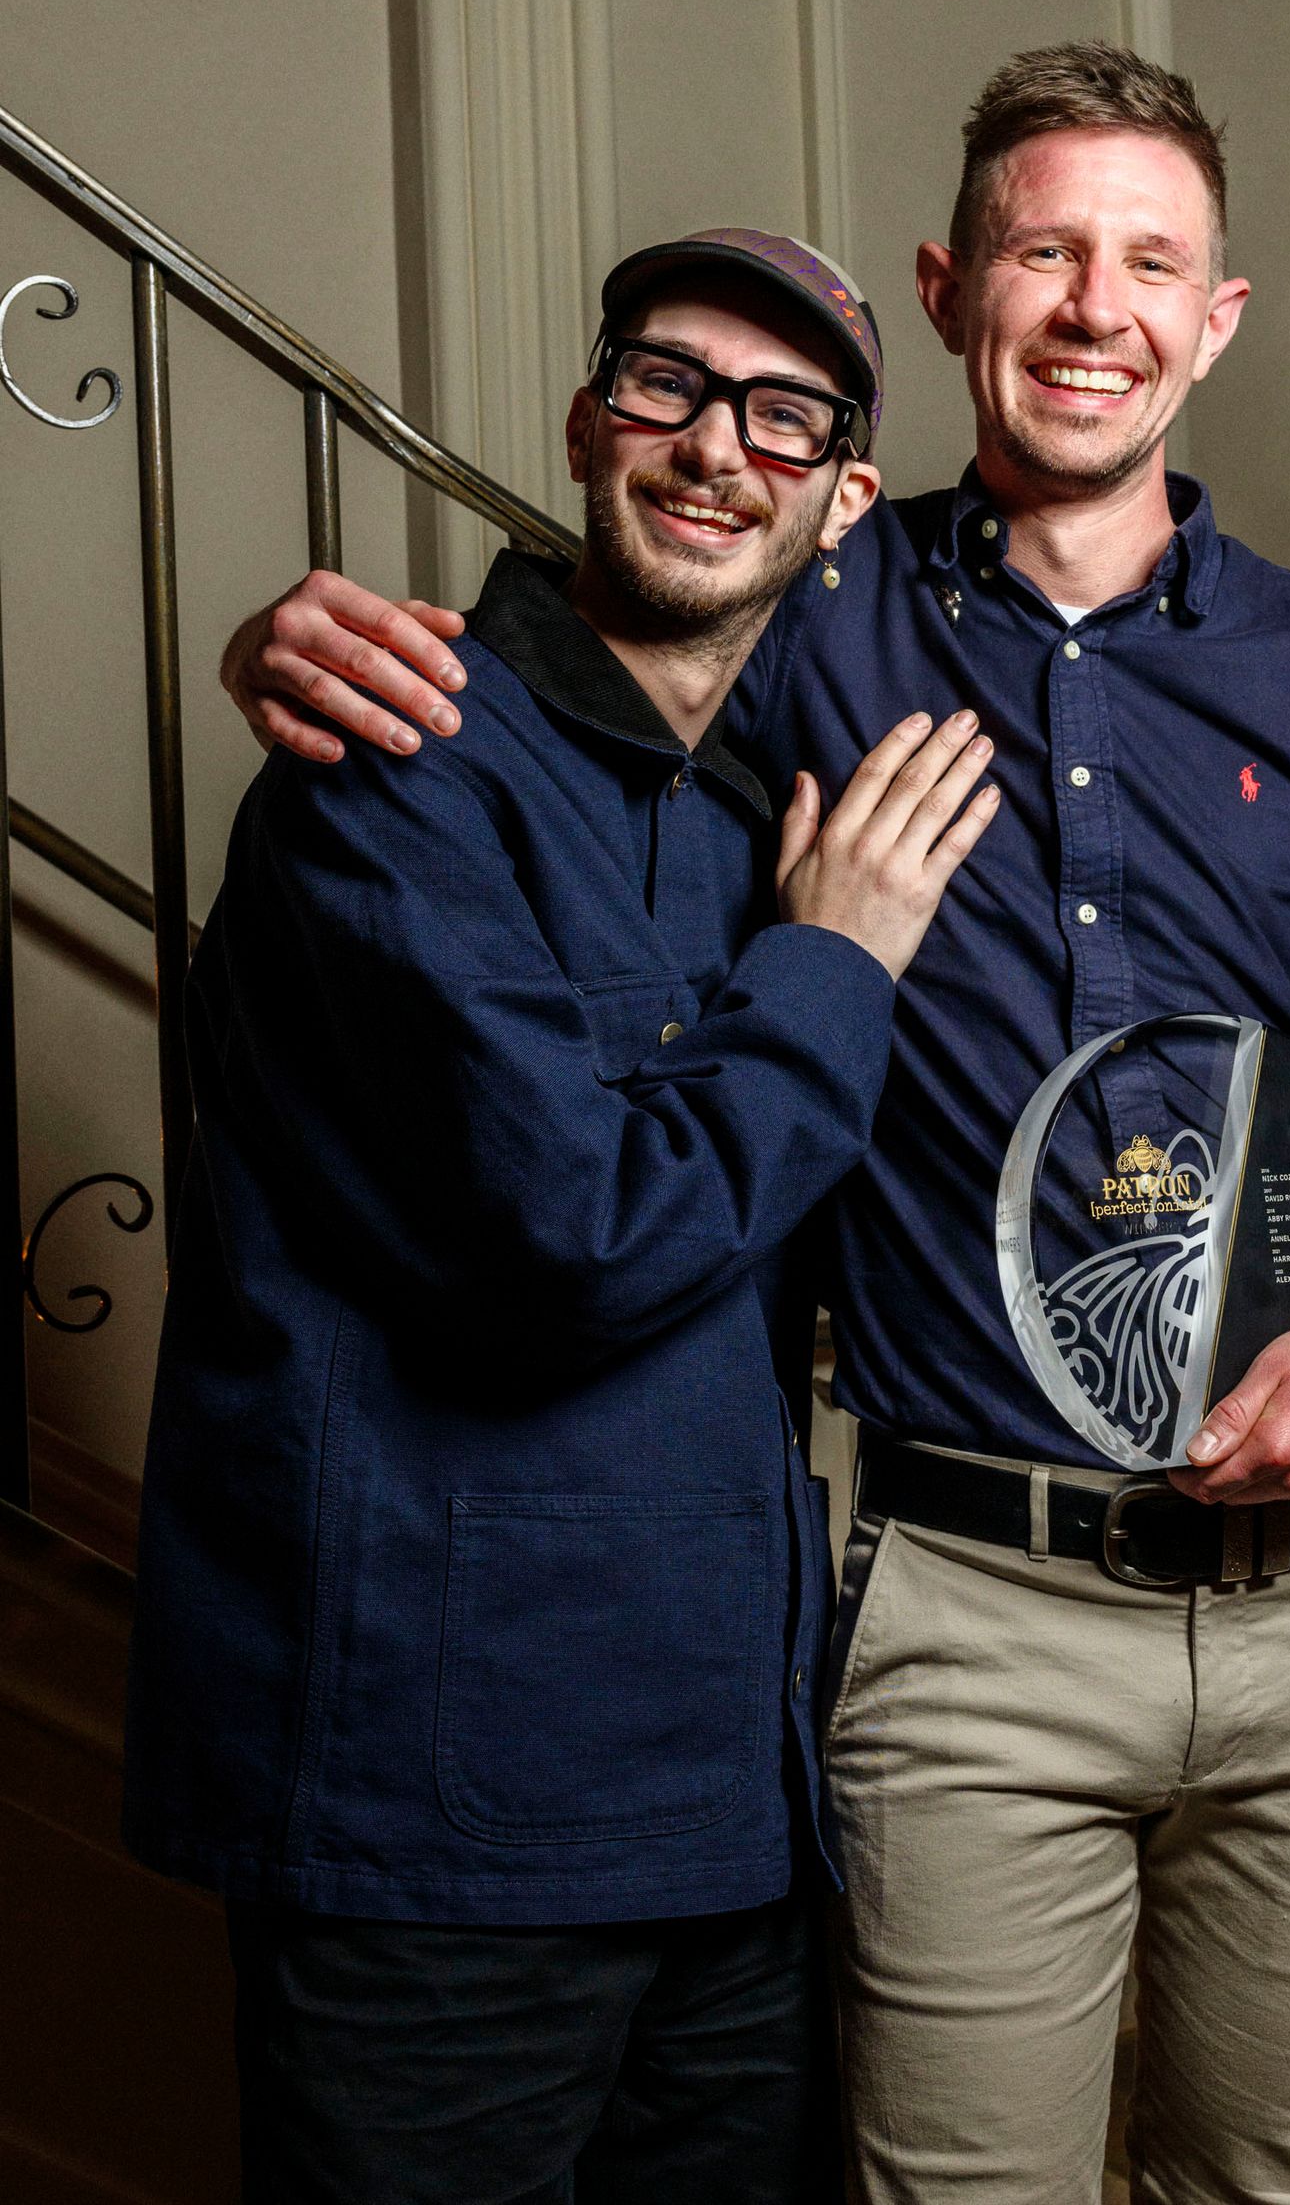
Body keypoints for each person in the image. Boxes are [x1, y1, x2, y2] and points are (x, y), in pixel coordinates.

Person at [221, 44, 1290, 2205]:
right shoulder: (805, 616)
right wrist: (314, 640)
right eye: (1045, 251)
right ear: (954, 286)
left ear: (1217, 316)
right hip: (968, 1613)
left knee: (1282, 2183)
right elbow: (605, 641)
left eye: (1150, 261)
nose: (1095, 304)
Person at [128, 233, 999, 2205]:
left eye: (786, 417)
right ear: (589, 420)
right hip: (441, 1829)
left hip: (733, 1814)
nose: (716, 449)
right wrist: (836, 973)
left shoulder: (784, 812)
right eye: (667, 387)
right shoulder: (395, 762)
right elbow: (578, 1239)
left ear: (844, 494)